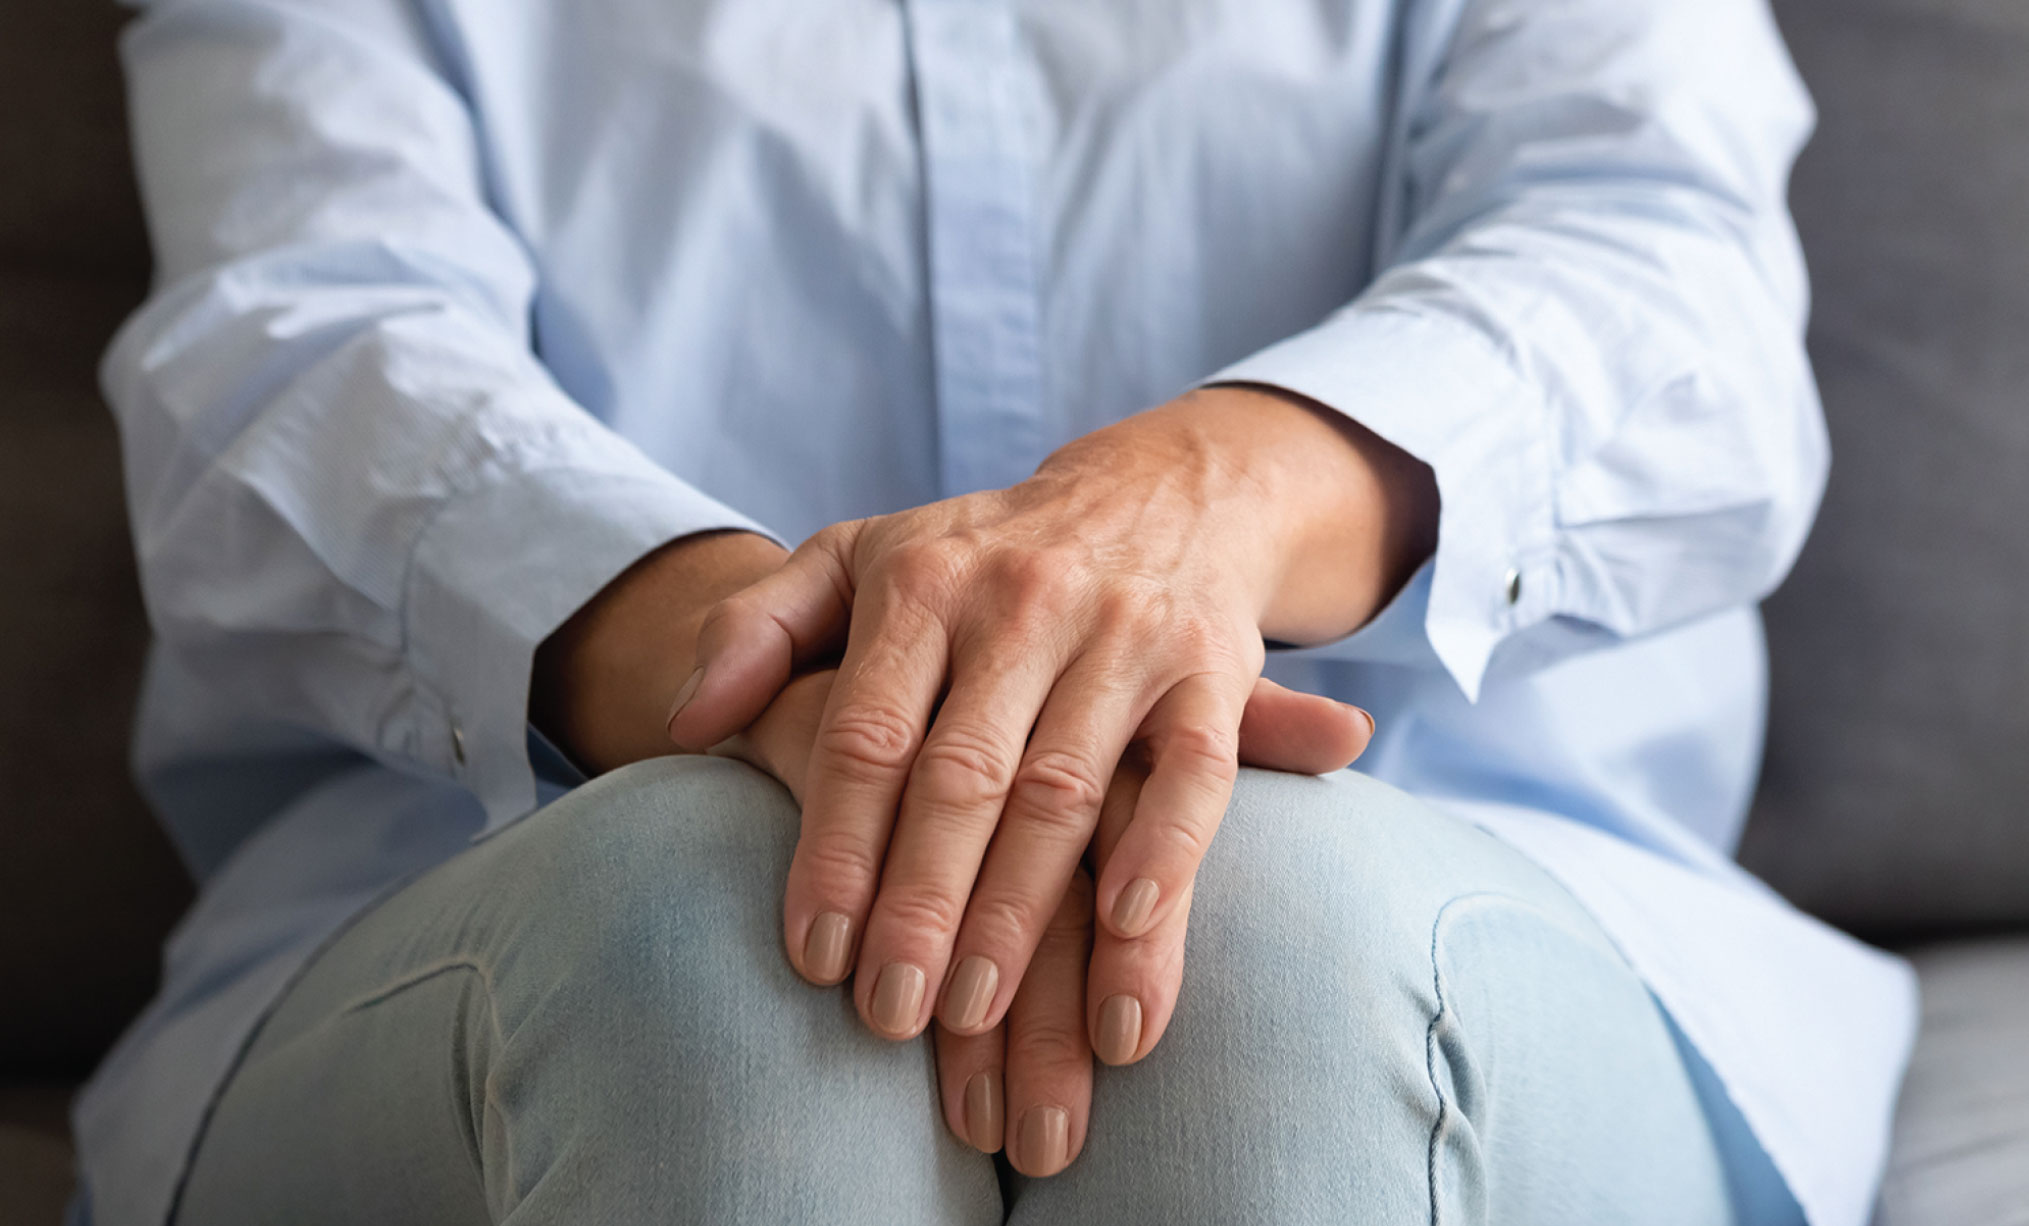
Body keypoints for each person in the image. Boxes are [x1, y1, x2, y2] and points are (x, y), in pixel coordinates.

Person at [73, 0, 1916, 1223]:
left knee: (1257, 928)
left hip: (1466, 863)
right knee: (708, 930)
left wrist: (1199, 508)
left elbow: (1658, 266)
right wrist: (776, 672)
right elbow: (297, 346)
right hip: (494, 880)